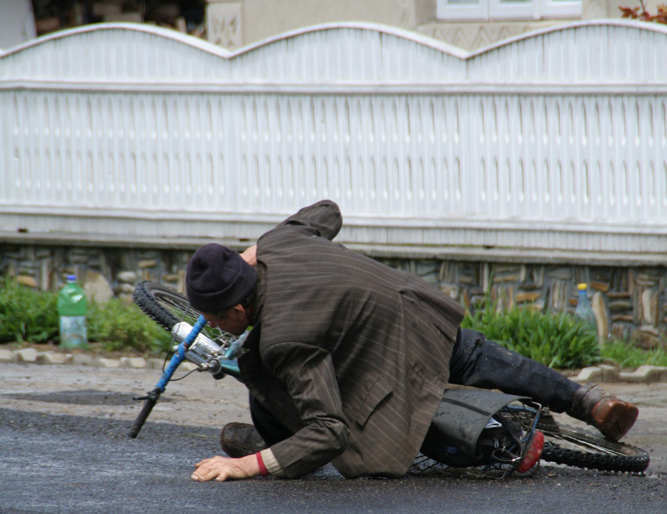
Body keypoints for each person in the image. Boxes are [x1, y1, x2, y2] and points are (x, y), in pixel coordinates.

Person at [185, 200, 638, 482]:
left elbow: (330, 431)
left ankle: (276, 449)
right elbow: (328, 211)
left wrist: (247, 466)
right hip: (417, 309)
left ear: (239, 309)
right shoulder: (280, 241)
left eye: (213, 319)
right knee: (477, 355)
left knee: (299, 391)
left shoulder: (282, 339)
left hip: (390, 359)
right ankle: (589, 400)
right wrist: (260, 249)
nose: (214, 327)